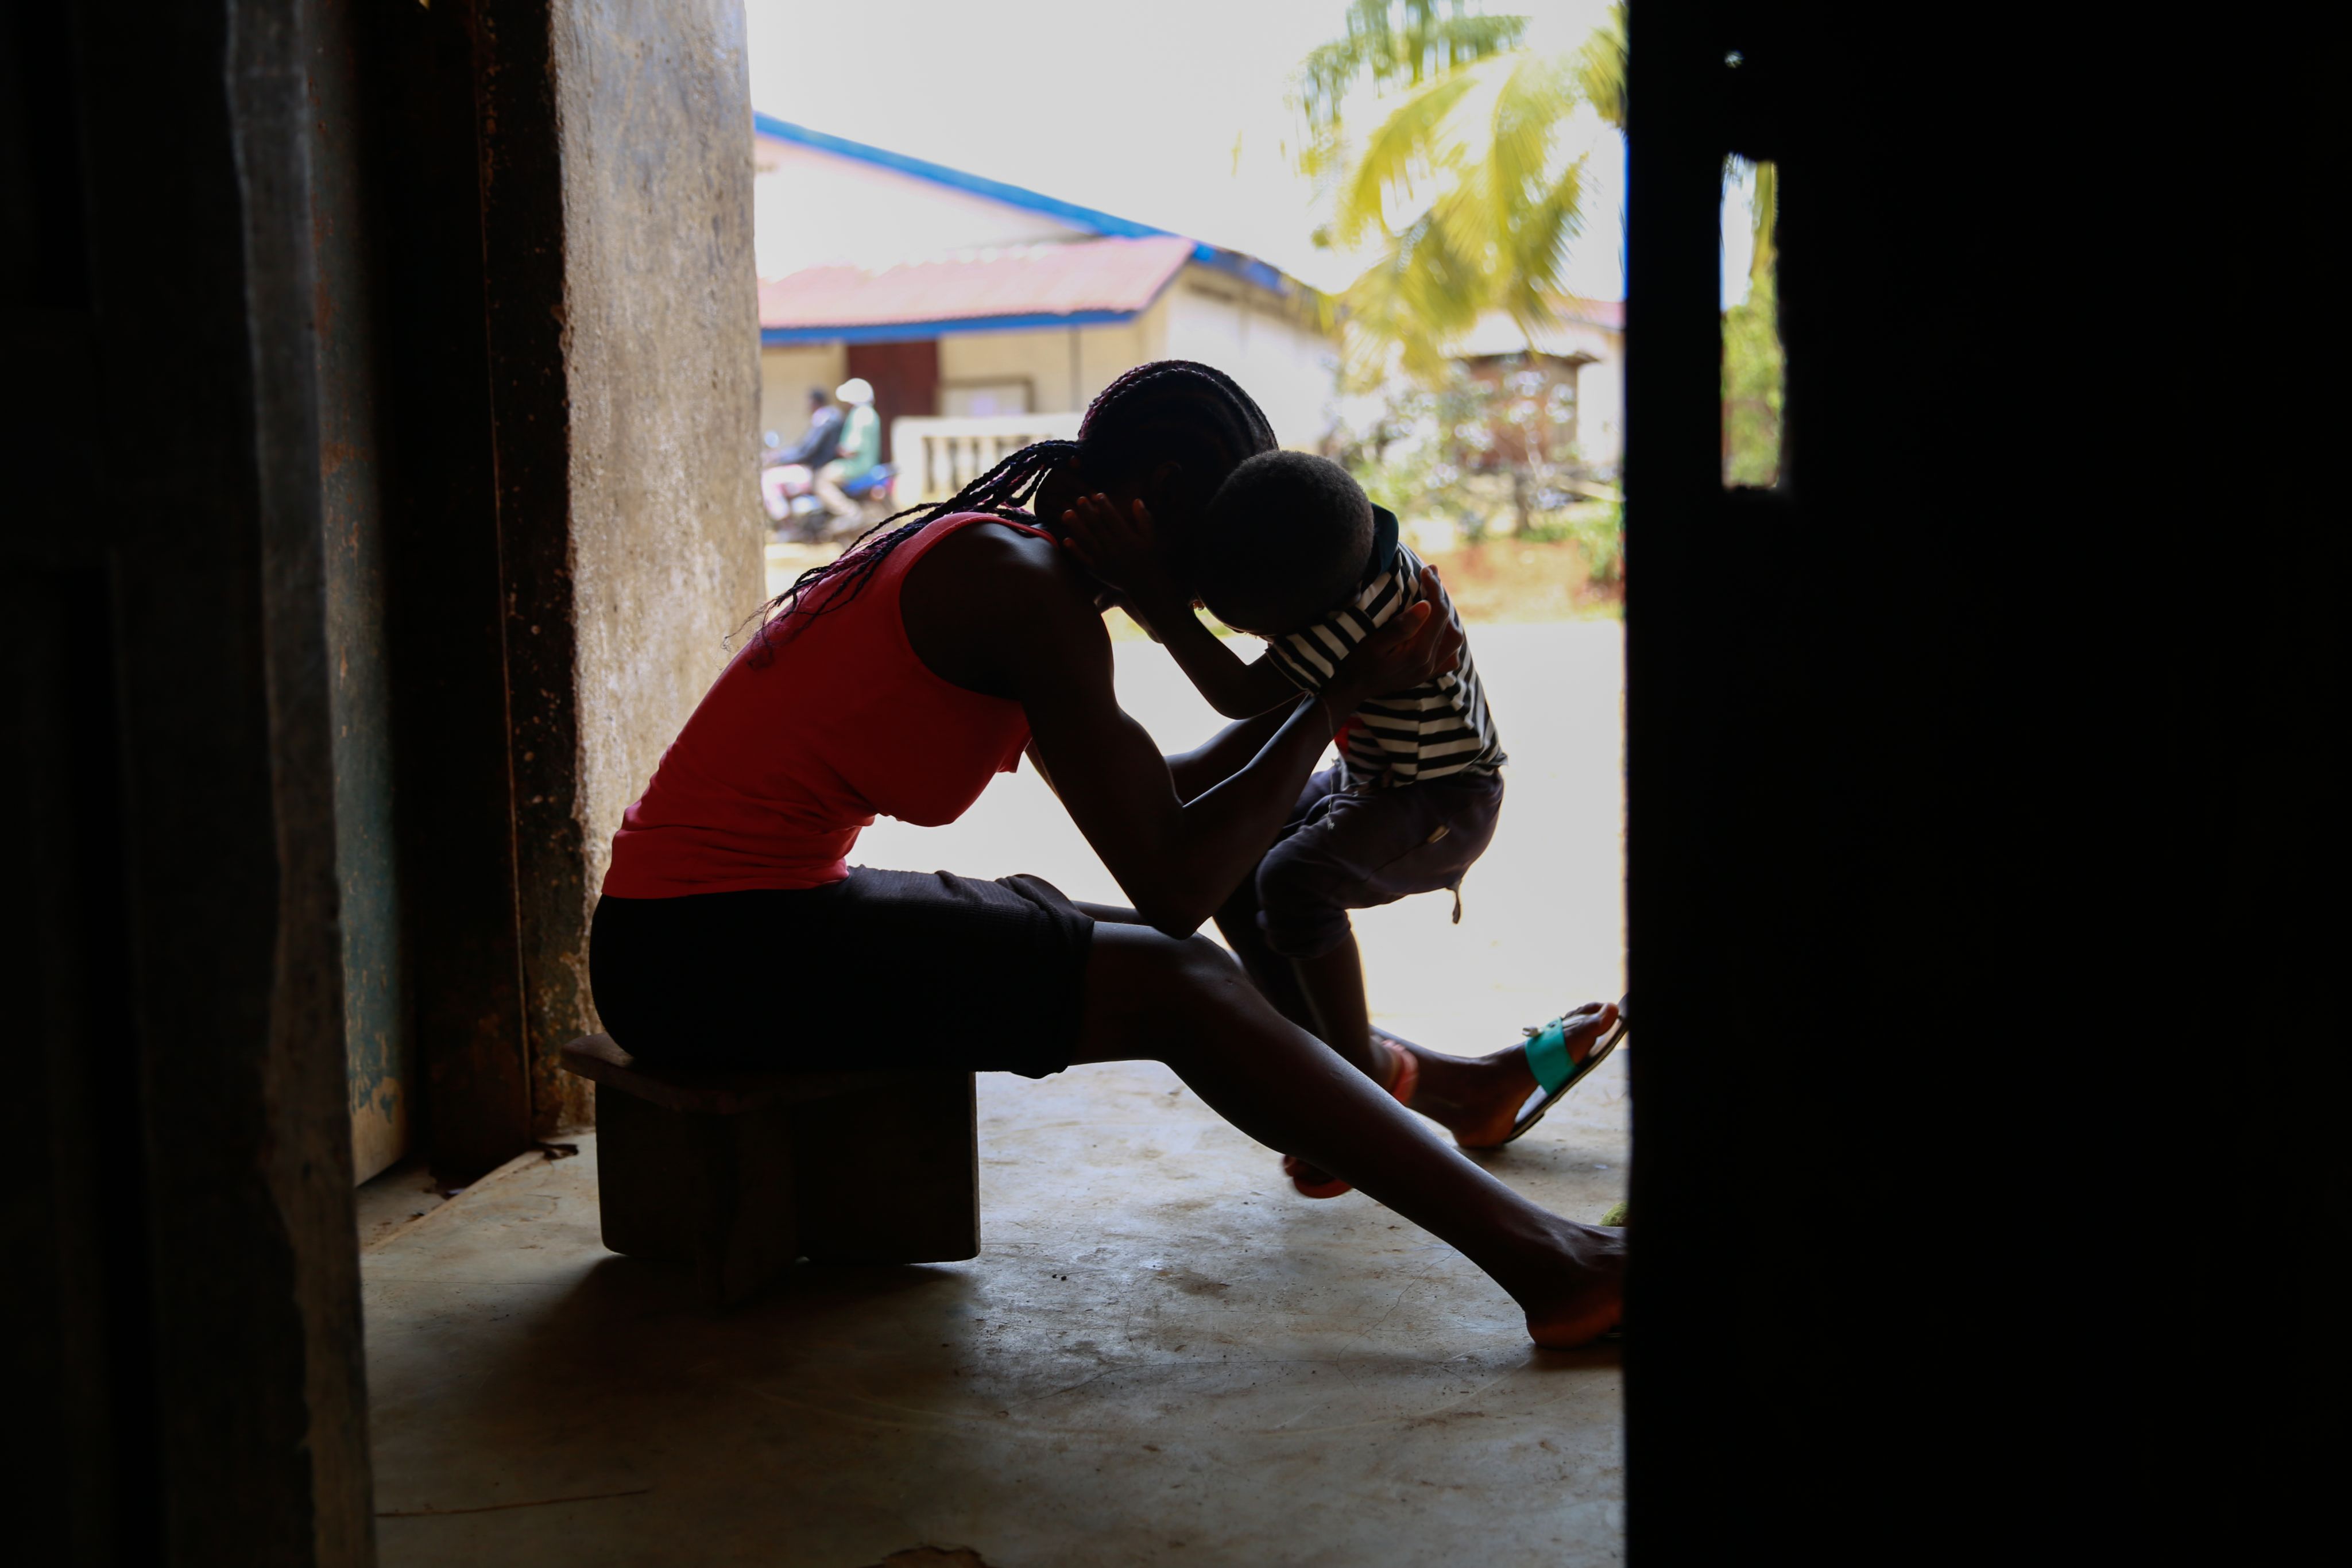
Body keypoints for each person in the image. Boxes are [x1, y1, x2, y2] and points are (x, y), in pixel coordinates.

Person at [589, 361, 1624, 1348]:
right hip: (704, 953)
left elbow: (1163, 800)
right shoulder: (1018, 586)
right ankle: (1554, 1263)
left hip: (739, 916)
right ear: (1161, 492)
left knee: (1182, 903)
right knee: (1176, 977)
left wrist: (1340, 688)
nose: (1229, 582)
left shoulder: (1002, 561)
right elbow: (1175, 884)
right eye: (1223, 543)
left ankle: (1438, 1092)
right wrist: (1338, 697)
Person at [1061, 451, 1625, 1200]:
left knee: (1294, 881)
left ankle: (1352, 1088)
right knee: (1238, 858)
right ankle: (1380, 1081)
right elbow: (1213, 758)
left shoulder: (1363, 613)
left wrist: (1153, 599)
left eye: (1271, 635)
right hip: (1379, 781)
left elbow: (1238, 693)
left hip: (1439, 803)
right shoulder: (1345, 551)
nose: (1268, 648)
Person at [811, 375, 881, 523]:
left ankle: (850, 513)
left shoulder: (860, 415)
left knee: (820, 480)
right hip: (867, 464)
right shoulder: (871, 413)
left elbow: (852, 449)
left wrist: (836, 450)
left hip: (856, 467)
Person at [769, 387, 844, 469]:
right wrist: (782, 454)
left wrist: (780, 459)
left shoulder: (824, 420)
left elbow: (807, 450)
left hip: (820, 465)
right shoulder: (830, 416)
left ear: (814, 402)